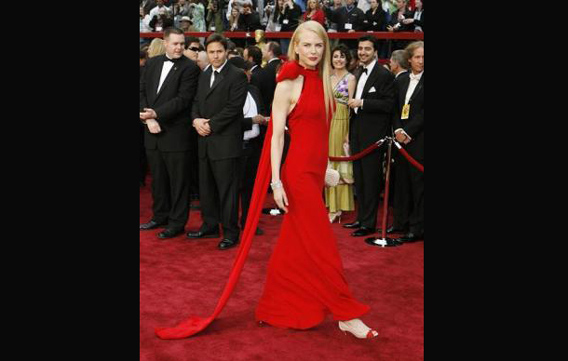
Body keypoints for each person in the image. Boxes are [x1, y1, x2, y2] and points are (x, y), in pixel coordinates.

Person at [253, 20, 378, 339]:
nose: (313, 51)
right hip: (296, 177)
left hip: (314, 174)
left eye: (319, 45)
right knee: (323, 246)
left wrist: (325, 172)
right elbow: (277, 138)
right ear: (295, 46)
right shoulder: (288, 82)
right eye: (307, 45)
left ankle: (275, 306)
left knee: (295, 247)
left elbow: (318, 136)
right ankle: (346, 314)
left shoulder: (322, 81)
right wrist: (276, 182)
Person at [187, 33, 249, 250]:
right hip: (204, 142)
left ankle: (231, 233)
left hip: (225, 143)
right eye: (211, 52)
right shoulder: (203, 75)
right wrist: (195, 120)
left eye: (219, 51)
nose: (215, 56)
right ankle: (210, 225)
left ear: (226, 52)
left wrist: (209, 125)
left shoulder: (237, 75)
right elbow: (195, 102)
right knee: (207, 189)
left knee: (227, 191)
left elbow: (233, 109)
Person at [139, 27, 201, 239]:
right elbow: (141, 92)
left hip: (176, 135)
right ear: (165, 42)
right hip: (152, 133)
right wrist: (148, 120)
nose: (179, 48)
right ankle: (159, 216)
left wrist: (155, 114)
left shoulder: (190, 68)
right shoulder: (152, 63)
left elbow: (183, 100)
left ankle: (176, 223)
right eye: (175, 43)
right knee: (158, 180)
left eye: (182, 44)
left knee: (178, 182)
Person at [342, 35, 395, 237]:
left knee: (371, 181)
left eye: (367, 49)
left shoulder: (384, 75)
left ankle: (369, 224)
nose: (362, 52)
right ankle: (361, 219)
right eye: (360, 48)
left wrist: (362, 103)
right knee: (360, 179)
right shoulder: (357, 70)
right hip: (356, 133)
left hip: (374, 136)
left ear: (375, 51)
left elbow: (388, 105)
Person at [391, 41, 423, 243]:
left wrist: (408, 131)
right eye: (418, 57)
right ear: (409, 59)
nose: (421, 60)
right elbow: (394, 108)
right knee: (400, 182)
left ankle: (417, 227)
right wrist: (397, 129)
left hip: (420, 140)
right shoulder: (401, 80)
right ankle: (400, 222)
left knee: (418, 185)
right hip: (399, 140)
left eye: (423, 57)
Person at [325, 44, 356, 224]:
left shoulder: (350, 78)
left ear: (347, 59)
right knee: (327, 163)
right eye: (335, 56)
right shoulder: (327, 78)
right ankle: (331, 204)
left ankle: (338, 208)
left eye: (342, 56)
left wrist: (347, 133)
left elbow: (352, 107)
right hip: (327, 122)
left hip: (342, 121)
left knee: (337, 162)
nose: (338, 59)